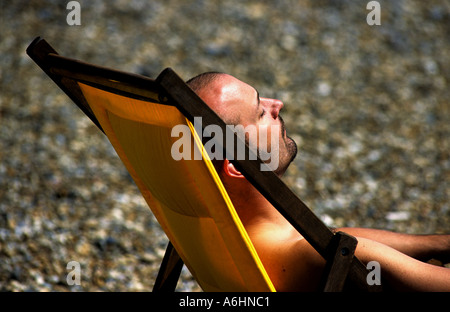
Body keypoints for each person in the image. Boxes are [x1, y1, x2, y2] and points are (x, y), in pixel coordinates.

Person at [186, 72, 450, 291]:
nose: (276, 104)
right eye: (260, 113)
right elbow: (344, 248)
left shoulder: (209, 229)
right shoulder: (321, 257)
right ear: (234, 166)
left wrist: (437, 243)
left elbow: (333, 238)